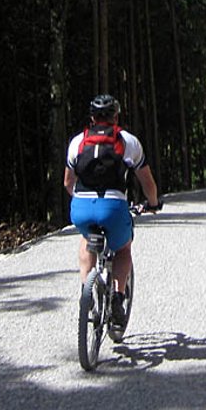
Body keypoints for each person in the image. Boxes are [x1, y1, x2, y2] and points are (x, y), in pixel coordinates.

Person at [64, 94, 160, 324]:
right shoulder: (128, 142)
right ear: (116, 117)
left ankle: (86, 291)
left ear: (92, 118)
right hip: (113, 207)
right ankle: (117, 296)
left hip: (81, 207)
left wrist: (80, 200)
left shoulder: (77, 142)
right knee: (123, 249)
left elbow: (68, 182)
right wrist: (153, 203)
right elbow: (147, 182)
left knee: (86, 239)